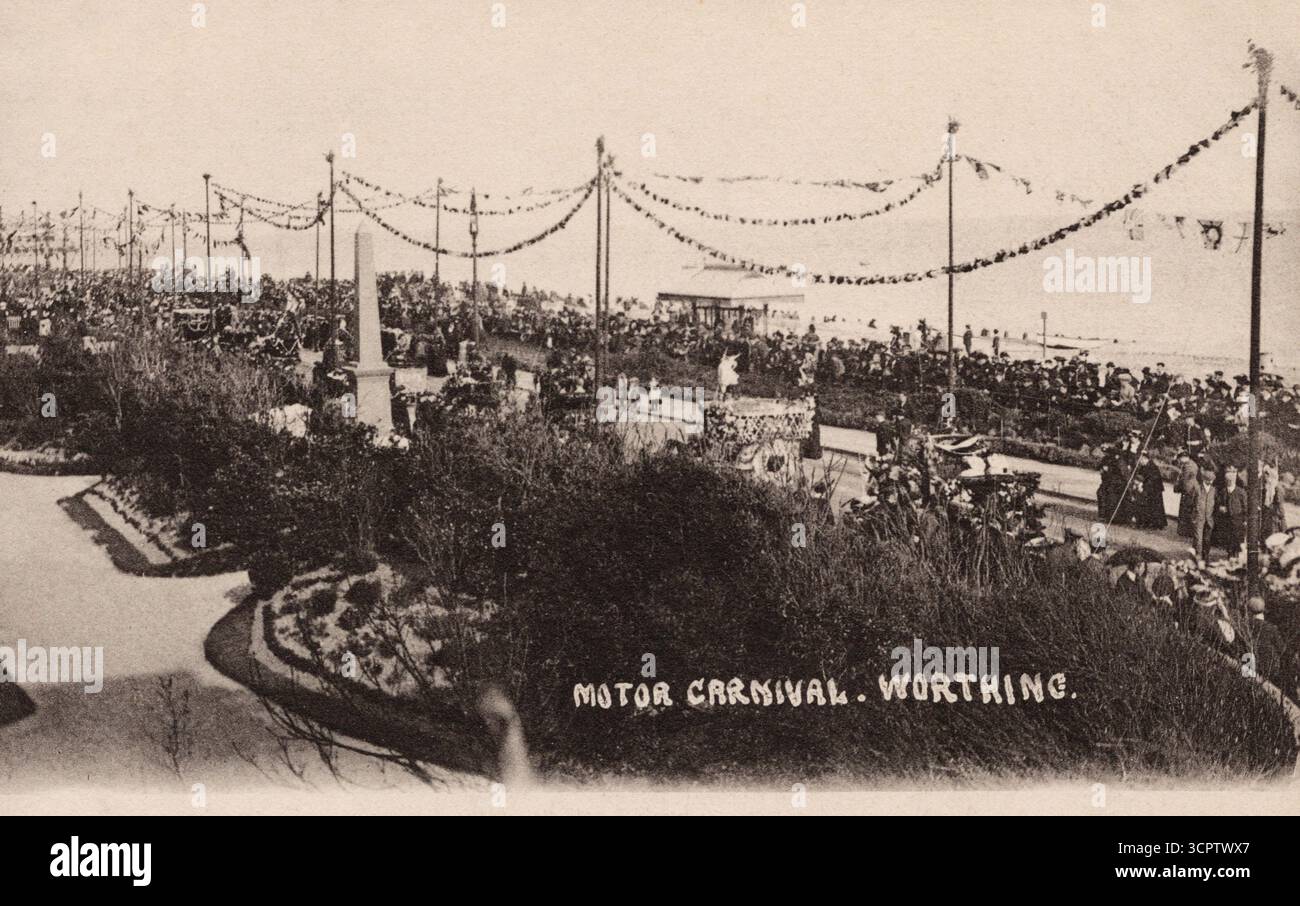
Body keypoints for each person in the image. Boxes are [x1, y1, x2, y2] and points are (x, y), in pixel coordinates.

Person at [1211, 464, 1248, 556]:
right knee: (1228, 539)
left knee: (1238, 540)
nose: (1229, 482)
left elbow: (1245, 507)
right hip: (1226, 519)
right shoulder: (1223, 492)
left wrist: (1245, 520)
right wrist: (1220, 508)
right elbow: (1218, 504)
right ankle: (1230, 554)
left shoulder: (1241, 492)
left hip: (1237, 519)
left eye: (1231, 480)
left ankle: (1236, 555)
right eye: (1227, 481)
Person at [1191, 469, 1217, 562]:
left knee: (1207, 538)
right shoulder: (1198, 489)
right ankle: (1198, 556)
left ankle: (1205, 555)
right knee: (1198, 538)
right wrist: (1194, 514)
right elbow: (1192, 502)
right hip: (1199, 517)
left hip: (1209, 518)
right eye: (1209, 480)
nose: (1210, 482)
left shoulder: (1214, 490)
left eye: (1212, 480)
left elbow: (1215, 503)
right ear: (1204, 480)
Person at [1175, 451, 1199, 537]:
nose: (1180, 460)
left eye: (1181, 458)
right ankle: (1185, 531)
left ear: (1184, 457)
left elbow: (1185, 480)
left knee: (1186, 510)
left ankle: (1186, 531)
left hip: (1189, 491)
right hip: (1190, 490)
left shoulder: (1189, 466)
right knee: (1187, 510)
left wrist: (1178, 487)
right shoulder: (1190, 464)